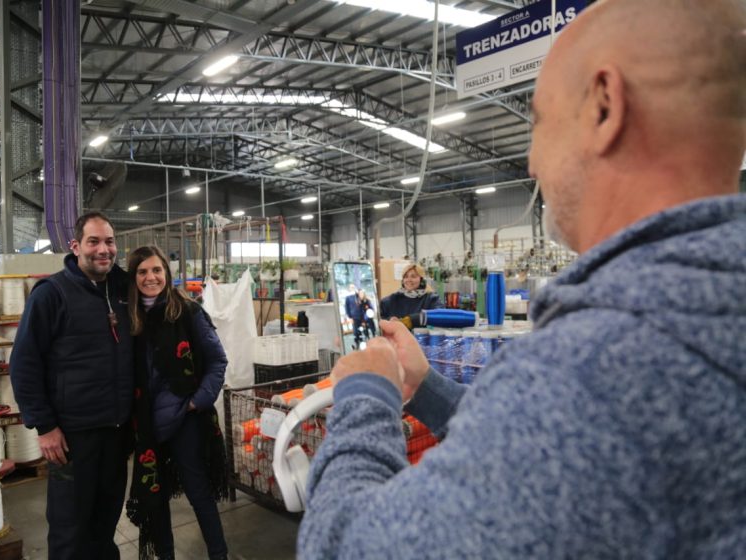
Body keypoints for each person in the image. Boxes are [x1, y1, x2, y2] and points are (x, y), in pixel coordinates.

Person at [298, 0, 746, 557]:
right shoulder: (704, 317)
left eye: (540, 122)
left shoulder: (592, 368)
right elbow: (554, 457)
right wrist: (427, 387)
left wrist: (367, 396)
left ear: (605, 105)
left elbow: (344, 547)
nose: (532, 162)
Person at [10, 212, 133, 559]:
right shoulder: (52, 294)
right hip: (73, 437)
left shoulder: (123, 291)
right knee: (70, 529)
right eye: (94, 241)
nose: (103, 249)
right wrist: (45, 426)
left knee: (105, 523)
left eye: (109, 241)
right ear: (75, 246)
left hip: (117, 432)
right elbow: (24, 364)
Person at [124, 246, 228, 560]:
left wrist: (197, 402)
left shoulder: (188, 312)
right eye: (142, 271)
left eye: (157, 270)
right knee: (155, 498)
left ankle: (219, 555)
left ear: (167, 274)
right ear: (133, 278)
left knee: (199, 493)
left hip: (185, 418)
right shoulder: (130, 319)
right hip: (147, 424)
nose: (150, 277)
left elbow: (217, 361)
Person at [379, 263, 443, 322]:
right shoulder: (392, 300)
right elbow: (379, 317)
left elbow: (439, 316)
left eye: (413, 276)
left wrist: (412, 320)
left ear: (422, 280)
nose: (409, 280)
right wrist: (389, 319)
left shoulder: (431, 299)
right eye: (406, 277)